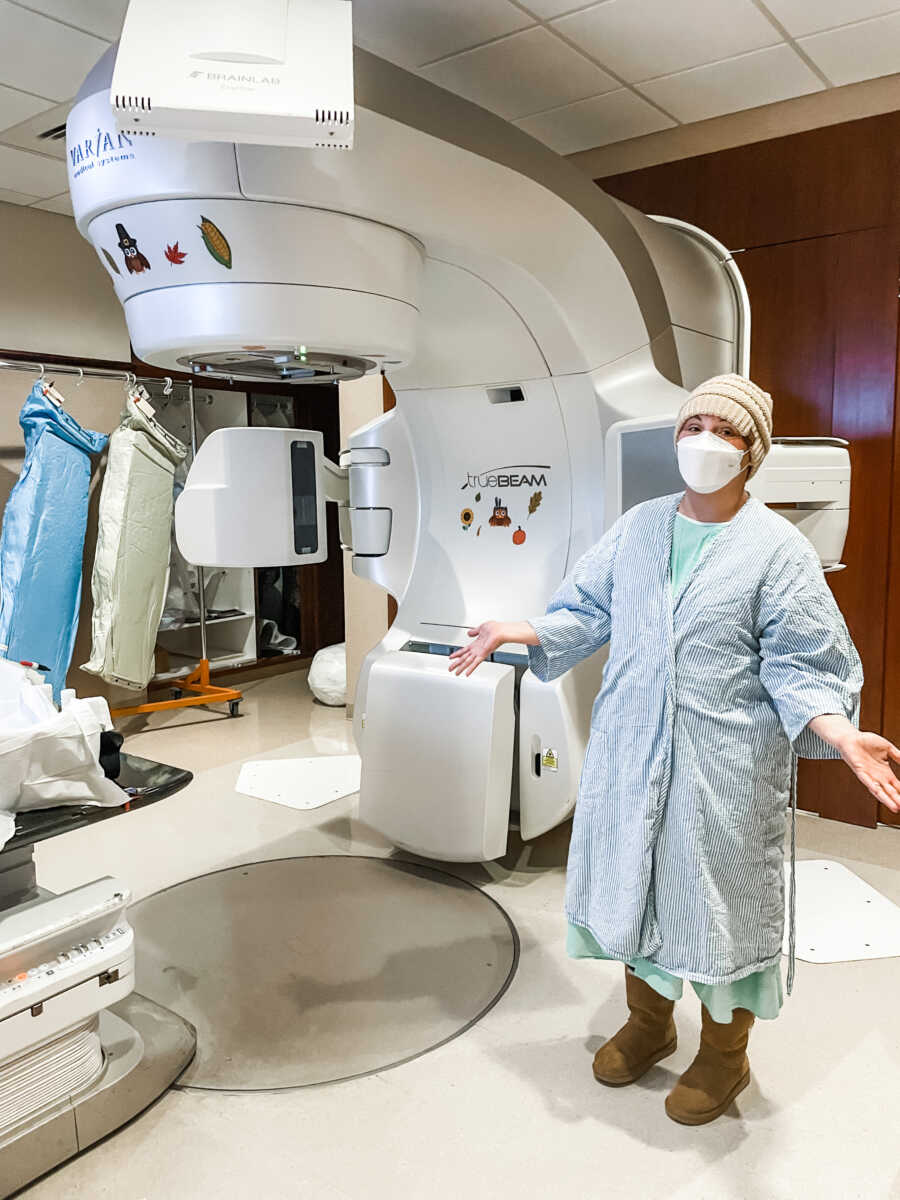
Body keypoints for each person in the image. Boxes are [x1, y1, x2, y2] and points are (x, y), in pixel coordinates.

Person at [448, 373, 900, 1126]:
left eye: (727, 431)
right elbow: (587, 609)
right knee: (636, 880)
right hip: (631, 747)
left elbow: (802, 663)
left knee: (718, 905)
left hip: (722, 766)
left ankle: (726, 1055)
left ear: (752, 453)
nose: (706, 442)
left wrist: (840, 731)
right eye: (695, 424)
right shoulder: (640, 527)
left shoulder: (777, 551)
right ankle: (649, 1024)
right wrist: (515, 630)